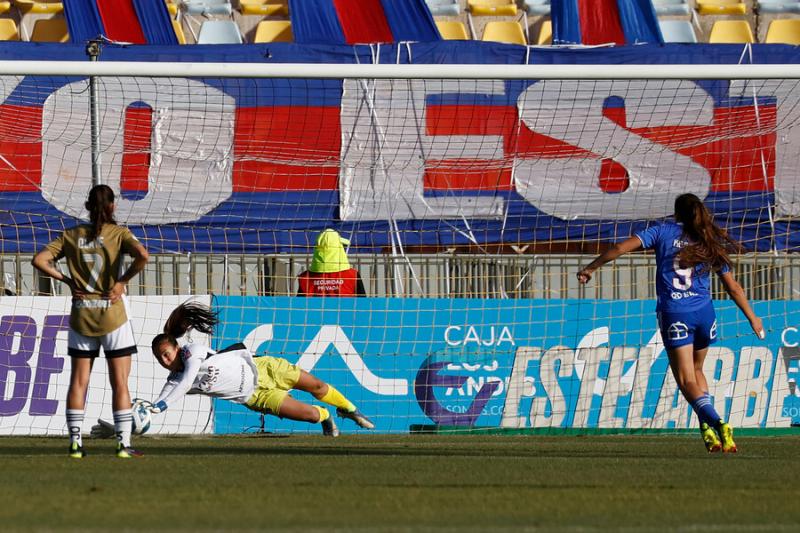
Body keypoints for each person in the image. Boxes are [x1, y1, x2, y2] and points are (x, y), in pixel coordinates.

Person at [576, 193, 764, 453]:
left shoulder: (661, 231)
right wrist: (753, 318)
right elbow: (733, 287)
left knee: (686, 380)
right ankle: (708, 430)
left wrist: (591, 267)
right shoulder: (708, 239)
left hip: (676, 313)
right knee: (698, 372)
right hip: (705, 313)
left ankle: (718, 422)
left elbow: (619, 248)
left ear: (676, 213)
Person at [32, 184, 149, 459]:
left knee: (78, 381)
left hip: (82, 314)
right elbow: (143, 255)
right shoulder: (119, 234)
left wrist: (66, 280)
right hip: (113, 315)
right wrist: (121, 282)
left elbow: (40, 260)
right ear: (112, 207)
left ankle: (75, 444)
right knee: (120, 382)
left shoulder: (71, 235)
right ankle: (122, 445)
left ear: (87, 206)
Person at [146, 301, 375, 436]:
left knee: (316, 385)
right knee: (312, 415)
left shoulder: (191, 352)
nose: (164, 361)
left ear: (177, 348)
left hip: (263, 367)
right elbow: (170, 392)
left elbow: (186, 382)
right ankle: (326, 417)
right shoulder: (175, 379)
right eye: (159, 358)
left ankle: (349, 408)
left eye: (166, 354)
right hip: (255, 396)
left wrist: (160, 405)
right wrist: (152, 408)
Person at [297, 229, 366, 297]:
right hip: (346, 308)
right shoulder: (353, 275)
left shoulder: (305, 277)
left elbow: (298, 305)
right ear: (339, 247)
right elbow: (363, 303)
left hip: (315, 308)